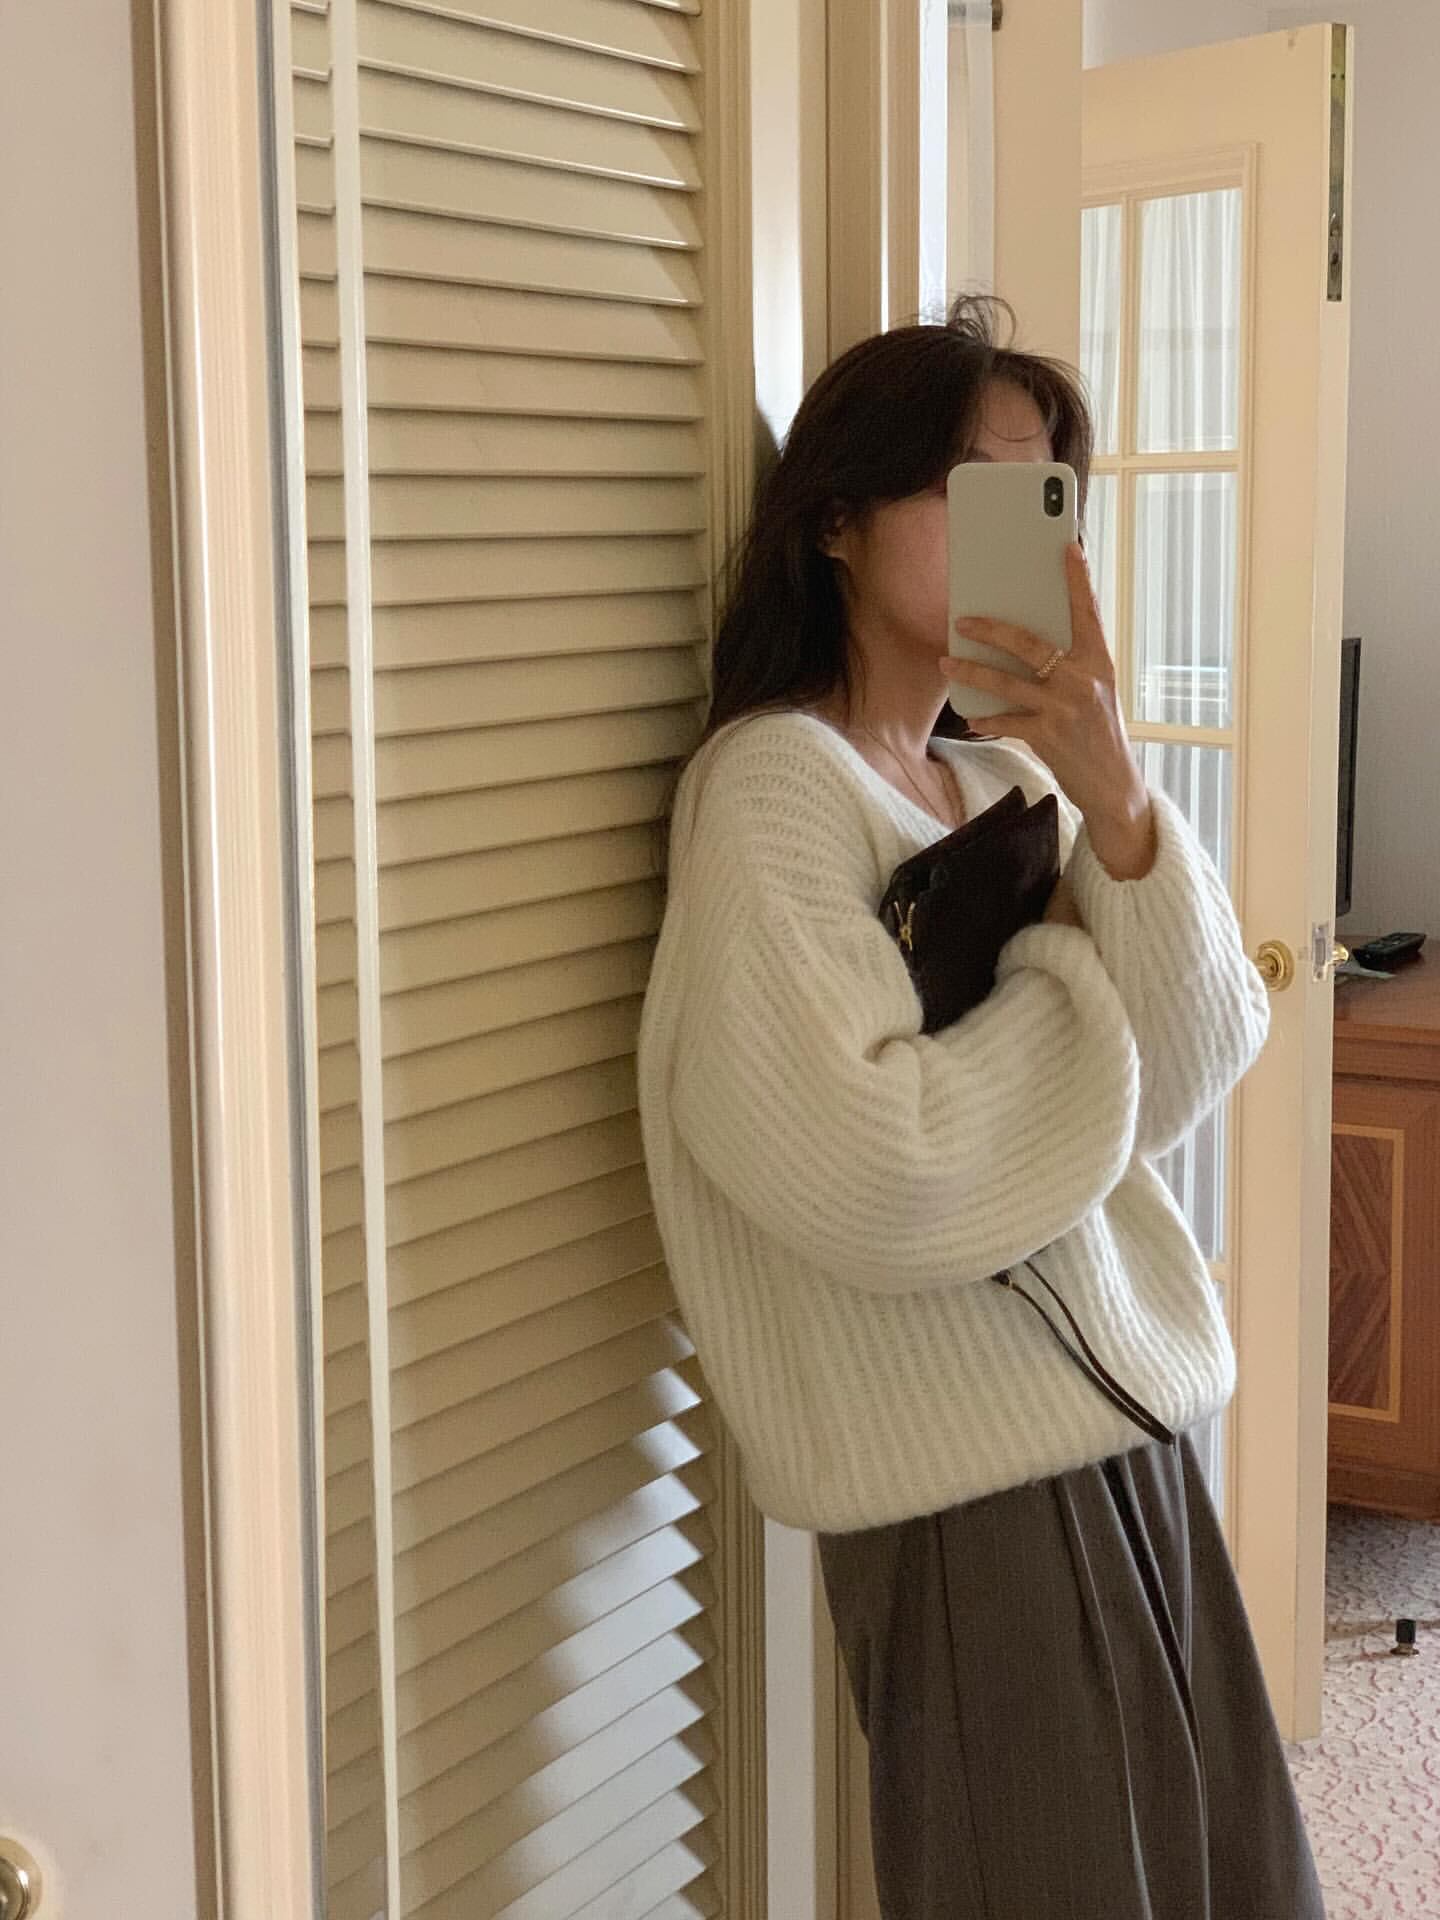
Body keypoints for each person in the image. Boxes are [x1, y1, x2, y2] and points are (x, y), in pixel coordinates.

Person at [635, 296, 1325, 1918]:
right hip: (970, 1497)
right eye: (978, 485)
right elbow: (888, 1172)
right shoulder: (775, 793)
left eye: (1045, 493)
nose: (1029, 527)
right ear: (837, 521)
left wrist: (1120, 801)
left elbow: (1190, 1061)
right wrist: (1072, 977)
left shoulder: (998, 778)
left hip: (1127, 1431)